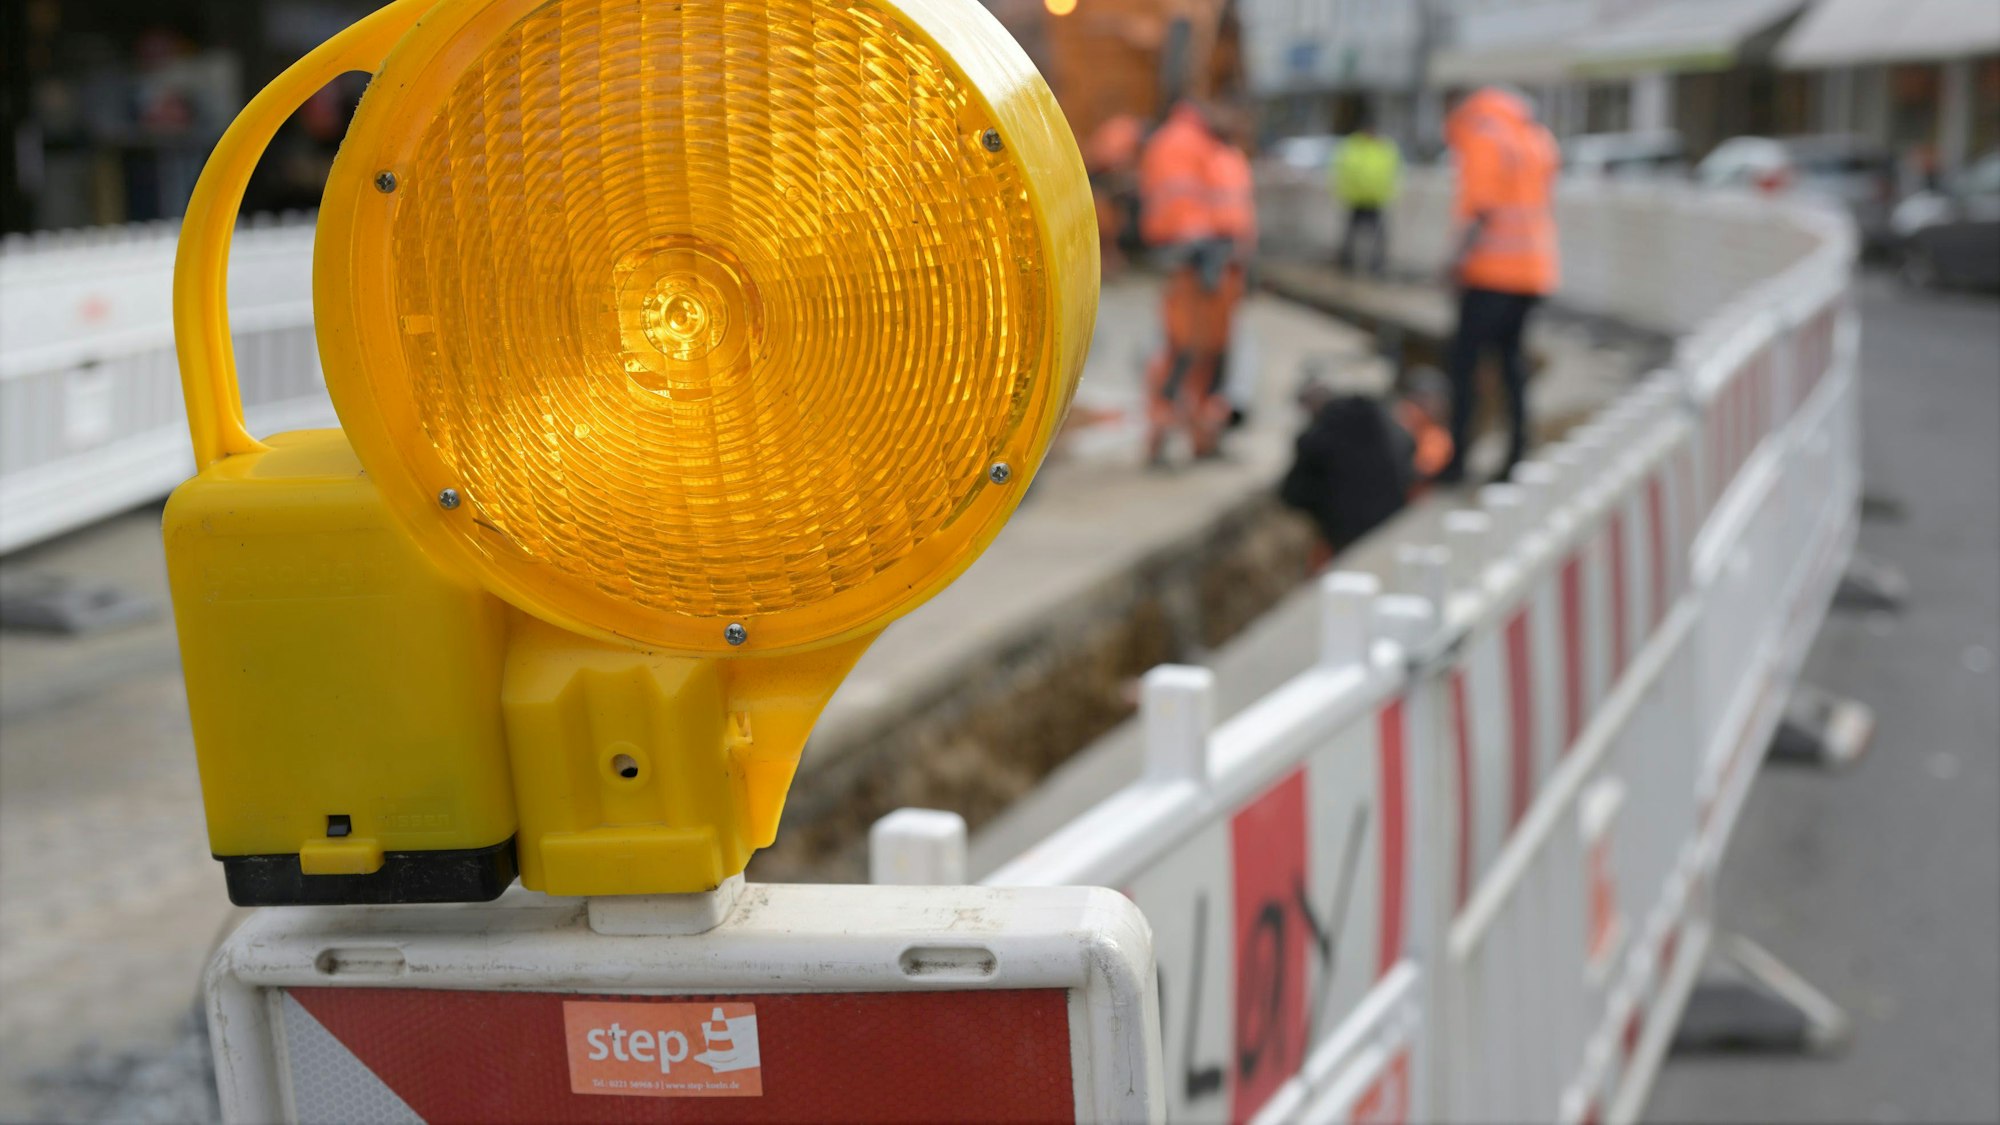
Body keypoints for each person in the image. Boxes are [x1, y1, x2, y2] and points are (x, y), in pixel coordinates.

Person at [1436, 87, 1560, 486]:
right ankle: (1517, 454)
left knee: (1465, 365)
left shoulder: (1482, 132)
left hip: (1492, 272)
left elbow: (1480, 204)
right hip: (1533, 270)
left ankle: (1457, 462)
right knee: (1511, 364)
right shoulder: (1532, 133)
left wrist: (1453, 262)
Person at [1137, 100, 1255, 465]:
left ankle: (1203, 436)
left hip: (1220, 264)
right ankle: (1161, 437)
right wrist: (1199, 246)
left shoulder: (1216, 148)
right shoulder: (1181, 143)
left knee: (1214, 352)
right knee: (1184, 349)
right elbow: (1178, 203)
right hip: (1194, 263)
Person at [1331, 113, 1401, 276]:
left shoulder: (1384, 147)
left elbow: (1393, 172)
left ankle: (1376, 267)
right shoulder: (1352, 146)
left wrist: (1389, 193)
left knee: (1378, 237)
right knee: (1350, 236)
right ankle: (1346, 265)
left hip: (1376, 199)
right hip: (1356, 198)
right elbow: (1342, 171)